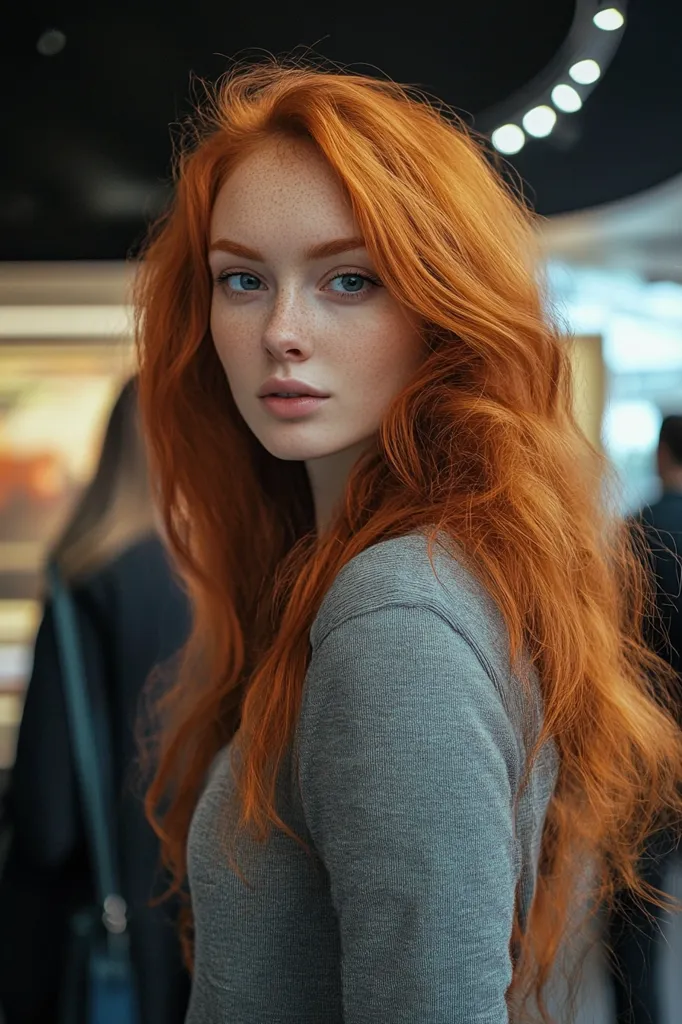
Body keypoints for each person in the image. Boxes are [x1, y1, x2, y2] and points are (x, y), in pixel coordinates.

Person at [134, 62, 682, 1023]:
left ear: (440, 306)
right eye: (242, 280)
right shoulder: (371, 575)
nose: (281, 331)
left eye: (351, 279)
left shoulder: (395, 610)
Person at [0, 379, 191, 1024]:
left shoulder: (84, 580)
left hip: (104, 957)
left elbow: (47, 819)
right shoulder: (238, 586)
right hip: (207, 945)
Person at [606, 414, 682, 1024]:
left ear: (662, 455)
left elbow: (612, 647)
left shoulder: (637, 533)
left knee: (633, 908)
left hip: (650, 746)